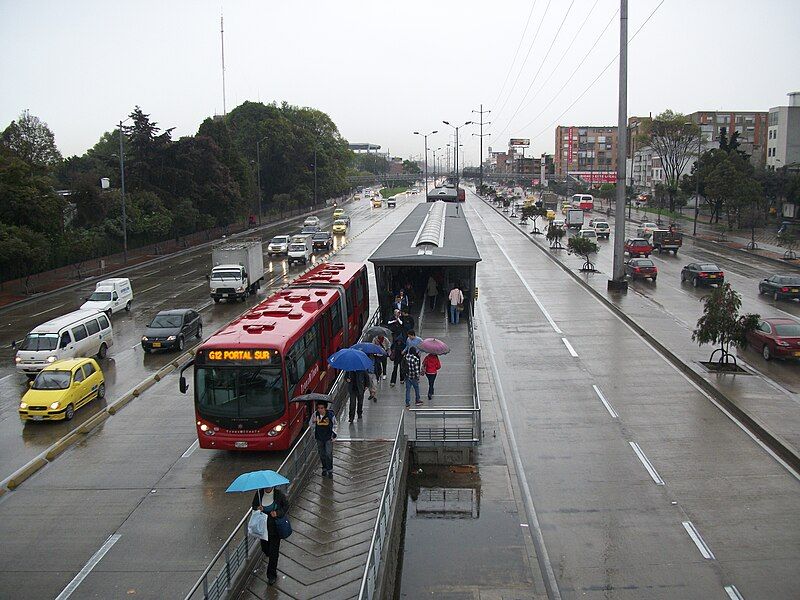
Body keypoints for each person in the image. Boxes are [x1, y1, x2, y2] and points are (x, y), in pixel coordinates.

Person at [251, 486, 289, 586]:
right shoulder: (259, 494)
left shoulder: (279, 495)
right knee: (265, 548)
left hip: (275, 528)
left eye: (270, 487)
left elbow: (286, 506)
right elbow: (253, 506)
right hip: (263, 528)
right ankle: (269, 556)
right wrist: (257, 508)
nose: (268, 488)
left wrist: (277, 513)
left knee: (273, 553)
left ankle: (271, 575)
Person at [309, 400, 336, 478]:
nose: (320, 410)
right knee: (322, 454)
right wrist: (314, 422)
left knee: (328, 454)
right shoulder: (315, 415)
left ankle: (330, 470)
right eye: (318, 408)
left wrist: (333, 435)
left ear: (325, 408)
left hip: (328, 438)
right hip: (319, 437)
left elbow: (335, 425)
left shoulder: (330, 415)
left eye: (322, 408)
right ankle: (324, 468)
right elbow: (311, 425)